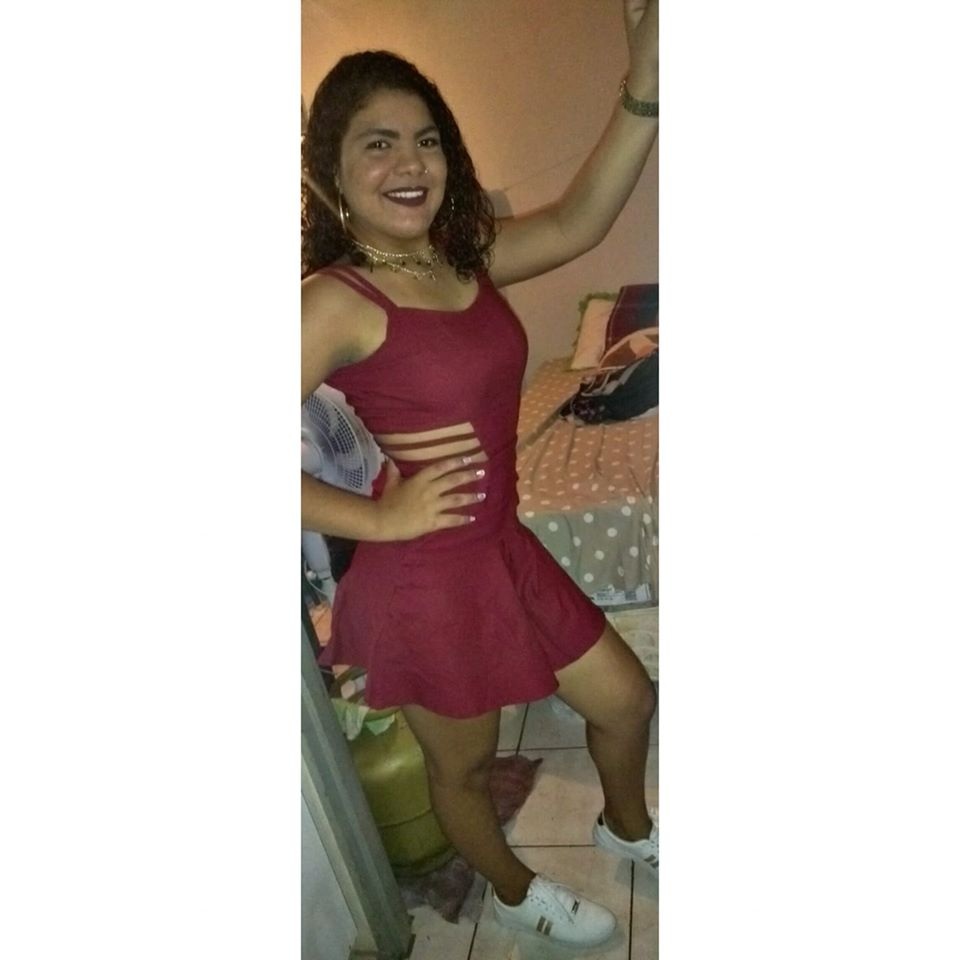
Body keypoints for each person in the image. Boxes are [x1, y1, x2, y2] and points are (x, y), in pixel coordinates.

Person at [301, 0, 659, 948]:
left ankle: (627, 828)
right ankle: (510, 888)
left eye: (426, 140)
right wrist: (377, 520)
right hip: (425, 582)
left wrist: (645, 88)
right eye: (378, 143)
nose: (410, 162)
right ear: (332, 172)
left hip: (502, 546)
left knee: (627, 701)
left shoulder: (462, 261)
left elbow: (581, 220)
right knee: (462, 769)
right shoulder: (334, 299)